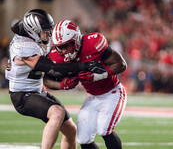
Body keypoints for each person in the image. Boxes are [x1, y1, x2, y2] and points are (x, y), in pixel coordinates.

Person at [5, 9, 104, 149]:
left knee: (71, 130)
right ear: (33, 31)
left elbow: (42, 75)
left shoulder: (34, 38)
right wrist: (86, 65)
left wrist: (61, 85)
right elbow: (53, 68)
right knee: (57, 112)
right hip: (22, 95)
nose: (49, 35)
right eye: (45, 31)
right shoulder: (23, 47)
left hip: (37, 90)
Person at [46, 20, 127, 149]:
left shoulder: (93, 43)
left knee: (104, 129)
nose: (63, 51)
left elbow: (121, 64)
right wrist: (62, 85)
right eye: (59, 47)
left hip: (112, 91)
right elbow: (45, 80)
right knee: (83, 139)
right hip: (92, 96)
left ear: (76, 40)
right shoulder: (55, 56)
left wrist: (98, 76)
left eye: (66, 45)